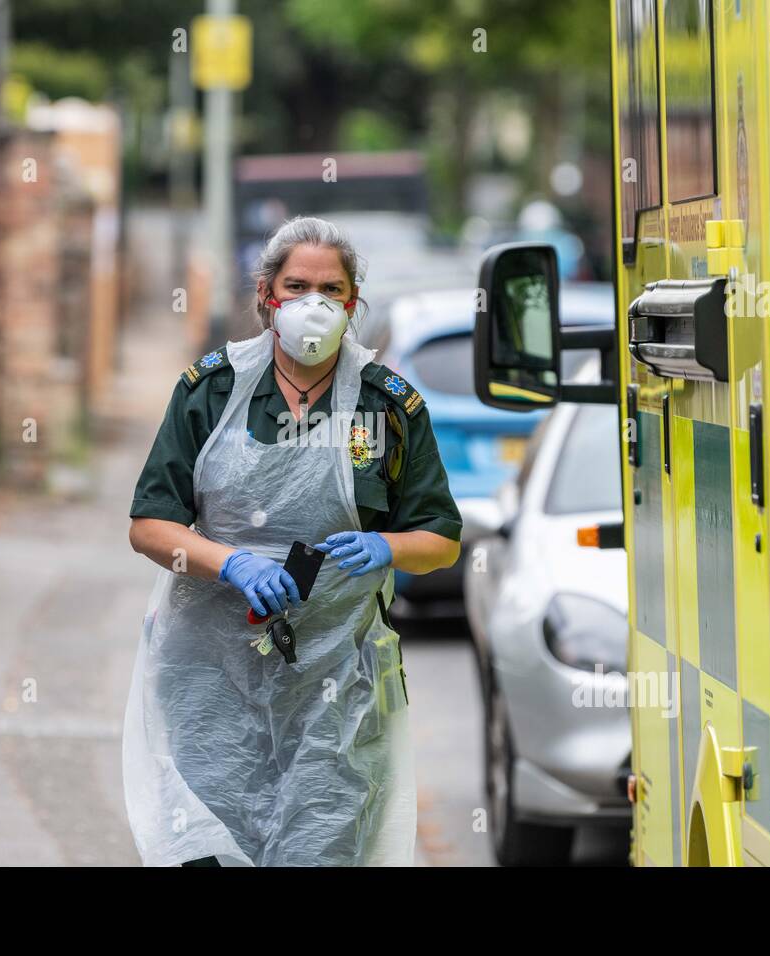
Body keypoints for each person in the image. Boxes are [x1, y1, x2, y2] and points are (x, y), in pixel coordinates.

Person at [123, 216, 462, 866]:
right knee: (213, 844)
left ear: (353, 303)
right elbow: (149, 526)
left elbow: (441, 539)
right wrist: (229, 563)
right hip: (209, 674)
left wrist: (390, 548)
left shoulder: (386, 407)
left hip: (335, 683)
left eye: (331, 290)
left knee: (321, 841)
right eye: (297, 286)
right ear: (267, 296)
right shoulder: (212, 390)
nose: (314, 303)